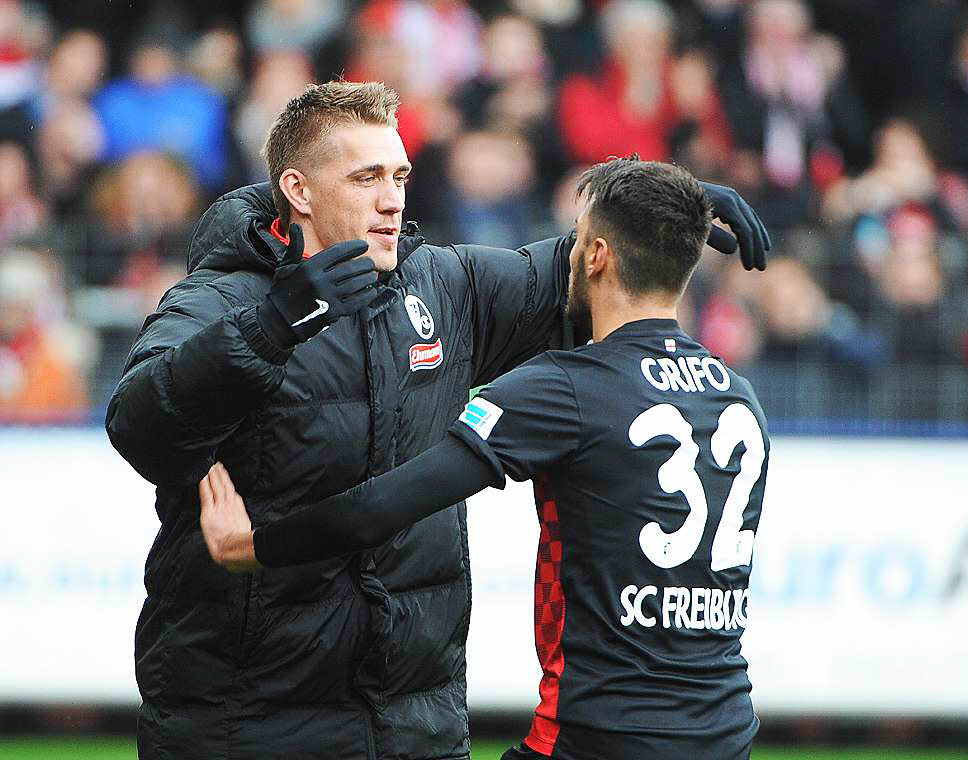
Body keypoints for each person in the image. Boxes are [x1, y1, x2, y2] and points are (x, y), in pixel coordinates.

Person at [105, 80, 769, 759]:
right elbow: (139, 425)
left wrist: (658, 211)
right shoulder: (218, 299)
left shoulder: (441, 285)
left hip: (413, 726)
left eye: (399, 175)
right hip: (245, 723)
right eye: (366, 177)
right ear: (299, 191)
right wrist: (275, 325)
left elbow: (573, 271)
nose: (392, 197)